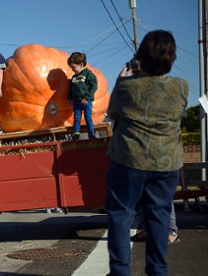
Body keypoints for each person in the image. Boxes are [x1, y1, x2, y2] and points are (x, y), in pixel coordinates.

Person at [105, 30, 189, 276]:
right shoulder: (181, 87)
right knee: (159, 216)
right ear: (171, 59)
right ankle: (157, 270)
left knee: (121, 215)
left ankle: (120, 271)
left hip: (128, 160)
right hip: (166, 163)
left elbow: (113, 113)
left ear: (140, 58)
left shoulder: (125, 88)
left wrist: (124, 79)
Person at [67, 52, 98, 140]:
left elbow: (94, 86)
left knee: (88, 117)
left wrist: (87, 97)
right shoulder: (73, 77)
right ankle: (76, 134)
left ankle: (91, 134)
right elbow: (70, 89)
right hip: (76, 102)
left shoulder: (88, 74)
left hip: (86, 101)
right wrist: (69, 98)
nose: (72, 69)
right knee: (76, 118)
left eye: (74, 67)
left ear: (81, 64)